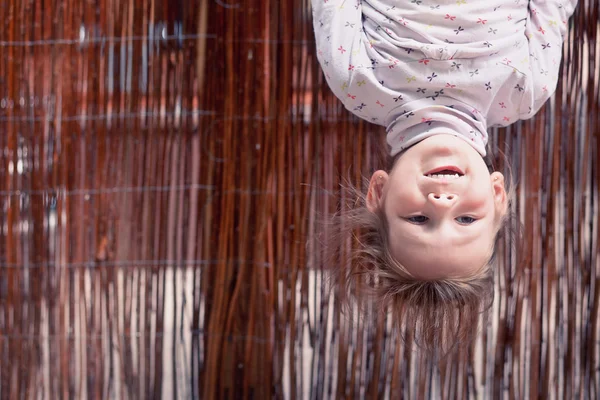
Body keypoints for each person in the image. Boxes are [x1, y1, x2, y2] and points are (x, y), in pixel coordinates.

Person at [313, 0, 578, 353]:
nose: (442, 203)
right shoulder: (525, 90)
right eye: (466, 218)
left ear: (379, 191)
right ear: (498, 195)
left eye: (419, 218)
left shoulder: (357, 82)